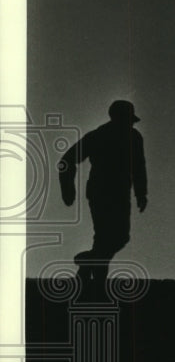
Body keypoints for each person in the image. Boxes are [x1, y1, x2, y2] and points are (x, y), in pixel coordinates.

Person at [59, 100, 148, 296]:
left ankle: (86, 267)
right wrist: (68, 188)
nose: (130, 124)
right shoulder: (100, 136)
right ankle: (97, 282)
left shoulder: (133, 137)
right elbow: (66, 160)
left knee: (116, 237)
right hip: (102, 192)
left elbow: (138, 167)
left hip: (118, 192)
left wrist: (141, 192)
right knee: (106, 236)